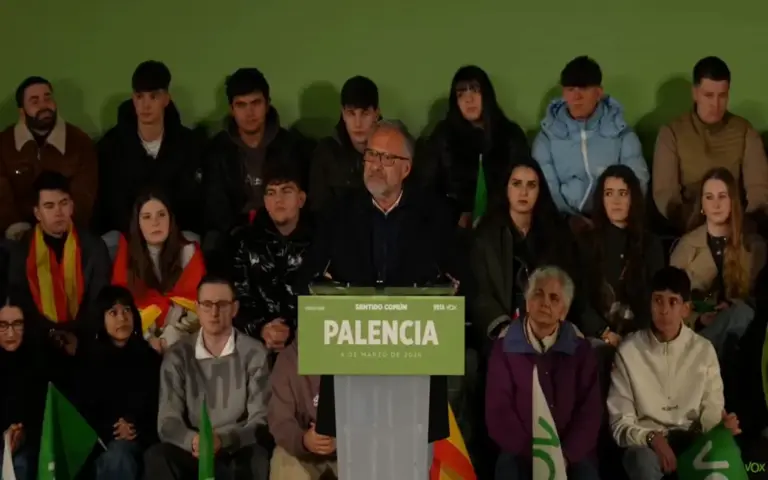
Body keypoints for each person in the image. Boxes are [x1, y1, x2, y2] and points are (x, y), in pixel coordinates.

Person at [298, 119, 457, 460]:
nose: (375, 165)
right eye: (371, 155)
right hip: (352, 363)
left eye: (386, 158)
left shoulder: (435, 216)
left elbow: (458, 282)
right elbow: (307, 278)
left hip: (413, 361)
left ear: (406, 168)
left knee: (410, 462)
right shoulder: (338, 213)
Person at [608, 266, 741, 480]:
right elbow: (620, 423)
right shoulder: (628, 351)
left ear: (686, 309)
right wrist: (651, 437)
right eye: (658, 300)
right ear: (649, 304)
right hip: (647, 444)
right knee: (640, 461)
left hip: (693, 440)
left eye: (673, 302)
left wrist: (720, 428)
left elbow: (712, 407)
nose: (664, 310)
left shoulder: (703, 350)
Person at [143, 275, 270, 480]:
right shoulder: (178, 354)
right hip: (193, 448)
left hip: (235, 447)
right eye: (207, 304)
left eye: (222, 304)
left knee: (257, 457)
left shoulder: (254, 353)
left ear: (235, 308)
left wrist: (224, 440)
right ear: (197, 308)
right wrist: (194, 441)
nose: (214, 312)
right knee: (157, 457)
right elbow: (167, 421)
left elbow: (260, 421)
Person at [485, 266, 602, 479]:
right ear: (528, 303)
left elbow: (590, 412)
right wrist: (536, 455)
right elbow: (498, 412)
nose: (545, 303)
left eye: (554, 298)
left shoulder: (581, 349)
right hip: (521, 452)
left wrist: (564, 456)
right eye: (538, 294)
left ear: (563, 312)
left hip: (571, 454)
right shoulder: (504, 347)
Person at [471, 157, 578, 356]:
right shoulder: (486, 235)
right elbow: (480, 293)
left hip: (550, 330)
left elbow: (568, 286)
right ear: (506, 188)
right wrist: (504, 329)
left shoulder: (557, 233)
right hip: (502, 332)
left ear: (540, 191)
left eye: (531, 185)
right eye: (516, 184)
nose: (523, 192)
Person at [202, 68, 310, 262]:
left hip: (283, 231)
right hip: (235, 236)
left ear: (267, 104)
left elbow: (301, 201)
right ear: (231, 109)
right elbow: (216, 207)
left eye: (255, 103)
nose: (249, 112)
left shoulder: (291, 146)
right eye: (241, 105)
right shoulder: (217, 150)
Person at [653, 56, 768, 233]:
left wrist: (743, 227)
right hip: (688, 227)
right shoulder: (672, 132)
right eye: (708, 95)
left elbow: (758, 189)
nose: (715, 104)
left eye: (722, 96)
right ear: (695, 93)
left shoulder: (744, 131)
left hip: (737, 228)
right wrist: (695, 226)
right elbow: (665, 194)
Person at [95, 60, 205, 240]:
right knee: (109, 242)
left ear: (166, 99)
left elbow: (190, 201)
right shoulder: (111, 146)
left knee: (192, 240)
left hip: (174, 235)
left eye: (153, 97)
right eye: (140, 97)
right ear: (133, 99)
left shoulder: (188, 144)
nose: (145, 105)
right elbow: (111, 203)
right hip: (128, 235)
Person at [532, 56, 648, 219]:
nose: (576, 97)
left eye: (583, 88)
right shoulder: (546, 138)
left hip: (612, 222)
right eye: (570, 89)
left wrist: (612, 219)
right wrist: (570, 220)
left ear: (599, 92)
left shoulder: (622, 134)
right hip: (561, 225)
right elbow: (546, 188)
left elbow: (637, 183)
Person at [7, 171, 111, 351]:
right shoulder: (21, 251)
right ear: (37, 213)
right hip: (38, 341)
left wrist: (76, 337)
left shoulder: (94, 247)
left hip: (84, 340)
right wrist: (52, 335)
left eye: (63, 203)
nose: (58, 212)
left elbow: (99, 302)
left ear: (72, 206)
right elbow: (21, 305)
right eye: (49, 206)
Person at [670, 167, 766, 358]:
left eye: (722, 196)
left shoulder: (755, 246)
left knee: (742, 313)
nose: (716, 204)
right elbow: (671, 302)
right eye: (709, 197)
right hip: (698, 333)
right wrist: (699, 319)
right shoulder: (686, 247)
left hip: (746, 334)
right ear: (702, 205)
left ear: (733, 202)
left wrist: (731, 305)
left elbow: (761, 299)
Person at [422, 65, 529, 227]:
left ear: (486, 95)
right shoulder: (443, 135)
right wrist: (455, 214)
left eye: (474, 91)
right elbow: (426, 187)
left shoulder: (510, 134)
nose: (468, 99)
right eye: (461, 94)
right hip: (454, 226)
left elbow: (523, 185)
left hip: (503, 224)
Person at [76, 286, 161, 480]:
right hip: (102, 444)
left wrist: (133, 428)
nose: (122, 318)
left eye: (127, 310)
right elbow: (83, 413)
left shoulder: (150, 359)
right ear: (102, 319)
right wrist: (113, 430)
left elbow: (160, 406)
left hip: (146, 438)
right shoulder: (88, 361)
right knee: (119, 456)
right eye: (113, 312)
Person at [0, 76, 98, 239]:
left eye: (47, 98)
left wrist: (60, 229)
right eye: (34, 101)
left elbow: (84, 196)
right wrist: (18, 229)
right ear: (22, 111)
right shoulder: (4, 144)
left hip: (68, 234)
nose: (44, 105)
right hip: (16, 237)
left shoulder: (79, 142)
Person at [111, 190, 206, 354]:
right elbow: (121, 305)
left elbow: (199, 306)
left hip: (182, 335)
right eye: (147, 217)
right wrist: (147, 337)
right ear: (138, 224)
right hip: (137, 334)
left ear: (171, 219)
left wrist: (171, 335)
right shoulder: (127, 254)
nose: (155, 222)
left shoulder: (189, 252)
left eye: (161, 215)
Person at [579, 165, 665, 343]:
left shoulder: (651, 244)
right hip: (596, 337)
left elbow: (655, 298)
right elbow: (579, 299)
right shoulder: (586, 242)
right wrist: (604, 333)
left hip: (640, 339)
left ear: (633, 198)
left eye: (623, 193)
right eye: (609, 193)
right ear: (601, 199)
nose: (615, 201)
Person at [231, 165, 312, 351]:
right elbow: (238, 299)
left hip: (308, 340)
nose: (278, 199)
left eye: (286, 191)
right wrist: (262, 329)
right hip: (256, 341)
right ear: (265, 201)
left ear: (301, 199)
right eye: (271, 193)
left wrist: (292, 328)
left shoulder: (322, 240)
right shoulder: (244, 241)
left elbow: (327, 298)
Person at [0, 302, 56, 480]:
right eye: (2, 325)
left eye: (17, 324)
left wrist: (23, 433)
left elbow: (47, 416)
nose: (11, 333)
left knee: (21, 464)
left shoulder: (39, 362)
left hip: (30, 443)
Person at [308, 75, 379, 213]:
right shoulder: (326, 154)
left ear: (376, 113)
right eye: (351, 113)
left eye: (364, 113)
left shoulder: (393, 151)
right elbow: (318, 210)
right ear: (343, 114)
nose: (358, 123)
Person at [268, 340, 338, 479]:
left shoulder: (358, 353)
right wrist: (304, 440)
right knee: (284, 460)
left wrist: (342, 440)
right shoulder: (287, 359)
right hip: (302, 449)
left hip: (351, 449)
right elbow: (280, 420)